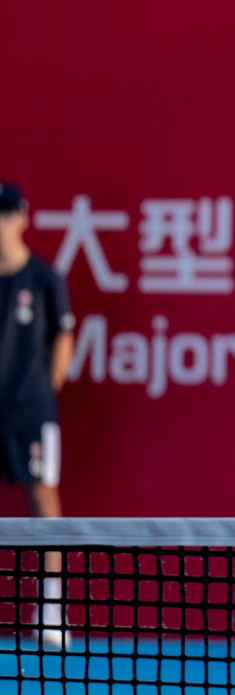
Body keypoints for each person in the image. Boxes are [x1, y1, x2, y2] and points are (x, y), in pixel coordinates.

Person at [0, 182, 75, 647]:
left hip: (31, 412)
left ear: (22, 218)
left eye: (5, 214)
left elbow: (63, 338)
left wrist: (47, 389)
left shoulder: (46, 280)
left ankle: (50, 607)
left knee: (44, 500)